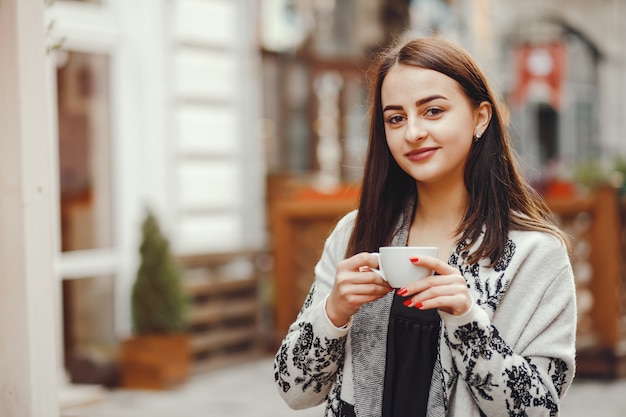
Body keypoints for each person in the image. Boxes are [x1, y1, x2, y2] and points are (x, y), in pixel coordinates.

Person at [274, 36, 576, 417]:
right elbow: (293, 390)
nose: (412, 132)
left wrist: (467, 321)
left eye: (432, 111)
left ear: (480, 117)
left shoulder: (536, 255)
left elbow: (539, 409)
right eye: (396, 118)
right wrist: (333, 312)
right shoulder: (355, 235)